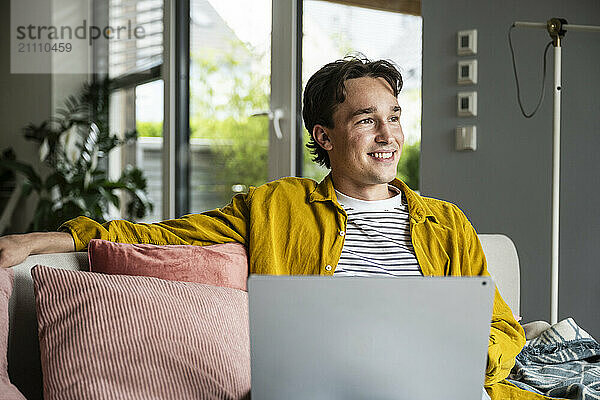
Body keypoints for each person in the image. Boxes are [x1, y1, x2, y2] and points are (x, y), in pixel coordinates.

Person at [0, 56, 542, 399]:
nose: (388, 134)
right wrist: (36, 240)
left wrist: (455, 364)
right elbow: (161, 236)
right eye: (365, 120)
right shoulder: (275, 206)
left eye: (394, 115)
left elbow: (503, 328)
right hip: (316, 388)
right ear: (324, 137)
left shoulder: (446, 222)